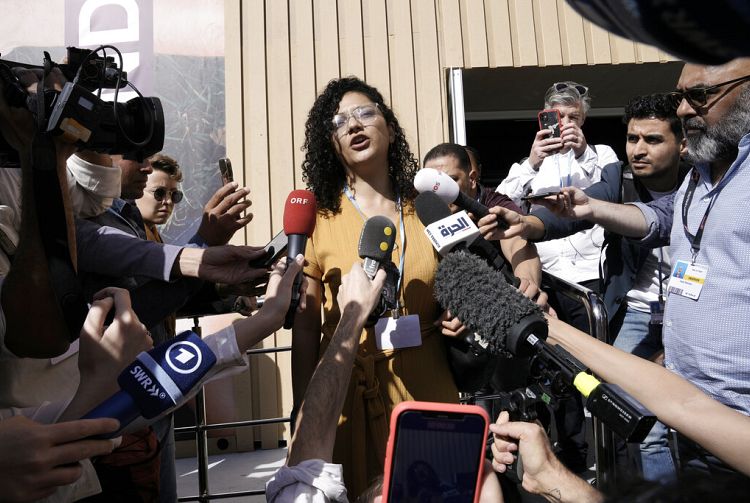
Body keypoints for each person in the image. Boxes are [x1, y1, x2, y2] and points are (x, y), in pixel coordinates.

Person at [483, 58, 750, 475]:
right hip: (686, 397)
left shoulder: (605, 157)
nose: (684, 109)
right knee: (628, 414)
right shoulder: (699, 179)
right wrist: (568, 211)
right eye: (681, 97)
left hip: (736, 416)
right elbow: (655, 217)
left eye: (698, 95)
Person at [499, 94, 689, 481]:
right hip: (634, 312)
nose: (639, 149)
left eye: (652, 140)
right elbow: (578, 211)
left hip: (690, 311)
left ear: (682, 144)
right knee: (636, 417)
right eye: (633, 138)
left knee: (695, 419)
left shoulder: (702, 184)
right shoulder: (619, 178)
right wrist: (528, 225)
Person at [291, 77, 460, 498]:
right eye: (339, 122)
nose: (353, 125)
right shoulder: (317, 221)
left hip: (428, 383)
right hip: (347, 391)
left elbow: (464, 278)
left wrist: (459, 313)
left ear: (390, 129)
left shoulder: (428, 207)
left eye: (365, 113)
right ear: (331, 145)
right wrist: (303, 410)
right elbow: (306, 327)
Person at [496, 81, 619, 473]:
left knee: (600, 366)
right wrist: (532, 161)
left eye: (572, 117)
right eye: (557, 116)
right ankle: (573, 455)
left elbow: (609, 193)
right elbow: (502, 203)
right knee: (559, 369)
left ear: (583, 120)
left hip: (589, 280)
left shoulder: (602, 154)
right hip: (548, 277)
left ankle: (612, 454)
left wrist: (582, 151)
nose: (564, 124)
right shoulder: (533, 163)